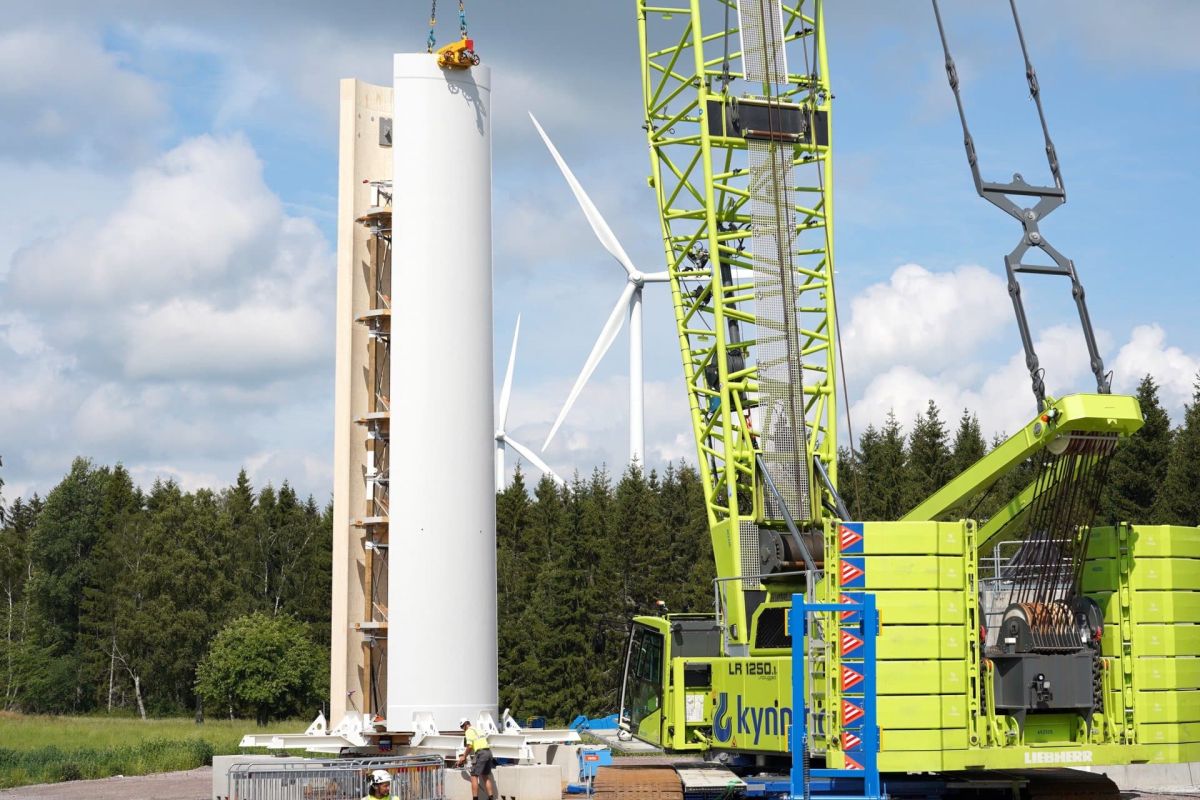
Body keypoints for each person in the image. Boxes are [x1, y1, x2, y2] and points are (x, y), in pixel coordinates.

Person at [455, 717, 497, 800]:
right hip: (488, 752)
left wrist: (464, 756)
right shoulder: (478, 730)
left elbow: (470, 746)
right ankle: (491, 798)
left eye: (462, 727)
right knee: (485, 776)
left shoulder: (469, 731)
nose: (462, 729)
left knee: (474, 775)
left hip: (481, 754)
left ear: (465, 725)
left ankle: (475, 798)